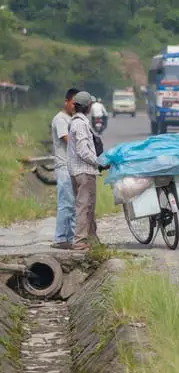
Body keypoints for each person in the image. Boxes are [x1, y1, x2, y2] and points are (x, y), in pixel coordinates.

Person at [67, 91, 106, 251]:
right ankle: (79, 241)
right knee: (84, 206)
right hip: (84, 171)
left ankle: (92, 239)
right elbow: (83, 150)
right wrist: (98, 163)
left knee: (89, 206)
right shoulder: (80, 124)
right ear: (88, 106)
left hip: (79, 171)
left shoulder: (77, 122)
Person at [50, 88, 79, 250]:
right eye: (73, 103)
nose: (75, 106)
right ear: (66, 102)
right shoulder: (61, 119)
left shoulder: (72, 119)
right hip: (64, 167)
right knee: (66, 204)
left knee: (73, 204)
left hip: (71, 167)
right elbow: (68, 140)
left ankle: (70, 238)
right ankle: (61, 238)